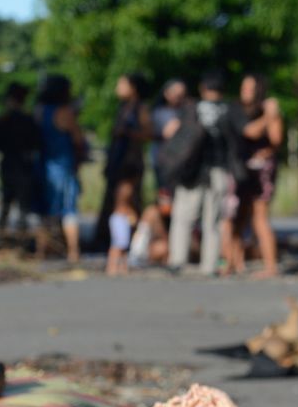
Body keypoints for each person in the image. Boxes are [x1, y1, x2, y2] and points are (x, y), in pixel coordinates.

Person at [169, 71, 235, 275]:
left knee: (183, 217)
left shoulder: (192, 109)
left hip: (192, 170)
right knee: (212, 221)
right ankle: (209, 265)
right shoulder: (229, 110)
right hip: (219, 169)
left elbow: (173, 133)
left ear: (202, 88)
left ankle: (178, 260)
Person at [225, 73, 283, 277]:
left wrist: (273, 116)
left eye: (250, 88)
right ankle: (232, 262)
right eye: (244, 87)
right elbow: (250, 132)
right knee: (236, 216)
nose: (246, 91)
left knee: (260, 216)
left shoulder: (266, 109)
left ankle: (270, 266)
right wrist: (268, 116)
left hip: (262, 169)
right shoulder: (235, 109)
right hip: (240, 167)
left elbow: (276, 138)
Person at [98, 73, 151, 275]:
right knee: (122, 208)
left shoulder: (140, 109)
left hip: (130, 164)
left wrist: (127, 133)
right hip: (118, 163)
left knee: (124, 207)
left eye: (121, 83)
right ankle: (121, 253)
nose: (117, 88)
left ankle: (121, 252)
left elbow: (149, 132)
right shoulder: (122, 109)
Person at [133, 79, 189, 269]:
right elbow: (166, 133)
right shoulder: (159, 113)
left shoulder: (184, 111)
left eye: (183, 92)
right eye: (176, 92)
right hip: (164, 167)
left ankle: (172, 246)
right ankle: (159, 246)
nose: (179, 96)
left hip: (182, 167)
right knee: (165, 206)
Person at [34, 73, 85, 263]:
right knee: (69, 210)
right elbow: (78, 139)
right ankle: (73, 251)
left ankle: (41, 251)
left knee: (45, 213)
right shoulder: (64, 112)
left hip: (43, 165)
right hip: (62, 167)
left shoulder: (39, 111)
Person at [0, 81, 39, 234]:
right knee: (23, 206)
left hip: (9, 164)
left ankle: (2, 234)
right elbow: (36, 143)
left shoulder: (2, 120)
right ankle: (21, 237)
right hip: (24, 165)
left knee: (6, 203)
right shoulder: (28, 120)